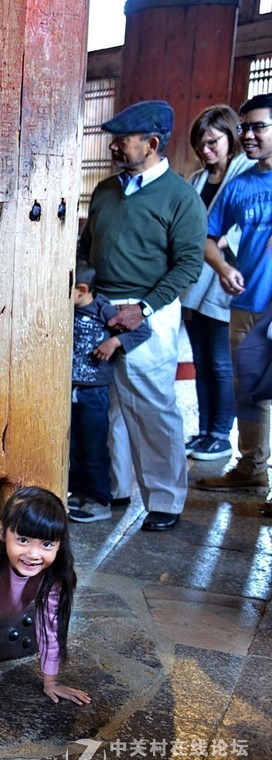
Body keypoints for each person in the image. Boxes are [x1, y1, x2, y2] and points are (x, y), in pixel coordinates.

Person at [77, 100, 207, 532]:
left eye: (123, 140)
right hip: (101, 305)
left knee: (151, 405)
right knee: (108, 405)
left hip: (151, 307)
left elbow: (188, 265)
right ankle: (114, 487)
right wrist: (84, 283)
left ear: (152, 144)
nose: (114, 146)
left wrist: (144, 307)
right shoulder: (105, 191)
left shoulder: (180, 197)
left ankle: (165, 500)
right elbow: (87, 245)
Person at [0, 487, 90, 716]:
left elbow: (49, 626)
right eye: (23, 540)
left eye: (47, 544)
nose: (34, 554)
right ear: (3, 532)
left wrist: (51, 682)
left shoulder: (55, 573)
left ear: (60, 543)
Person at [197, 94, 272, 506]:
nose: (247, 134)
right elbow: (207, 238)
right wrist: (224, 268)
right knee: (251, 393)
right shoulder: (239, 185)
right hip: (246, 308)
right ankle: (251, 471)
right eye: (244, 126)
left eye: (258, 126)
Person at [182, 105, 253, 462]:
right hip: (195, 280)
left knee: (221, 361)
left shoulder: (245, 174)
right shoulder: (197, 179)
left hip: (227, 278)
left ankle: (222, 434)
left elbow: (243, 227)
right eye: (200, 144)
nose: (206, 150)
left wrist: (217, 242)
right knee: (201, 360)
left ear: (231, 138)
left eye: (212, 142)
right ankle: (205, 430)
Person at [67, 266, 151, 523]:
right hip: (69, 389)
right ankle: (80, 493)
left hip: (94, 392)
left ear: (82, 290)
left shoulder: (104, 310)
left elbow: (142, 330)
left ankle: (99, 500)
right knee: (74, 447)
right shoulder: (71, 309)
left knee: (93, 448)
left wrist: (114, 342)